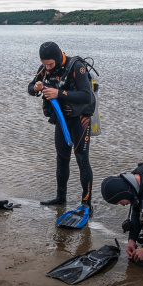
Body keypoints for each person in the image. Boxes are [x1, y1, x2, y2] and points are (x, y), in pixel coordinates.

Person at [28, 42, 96, 209]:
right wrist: (36, 87)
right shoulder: (44, 68)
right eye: (44, 64)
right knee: (62, 158)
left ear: (58, 58)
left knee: (81, 158)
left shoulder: (77, 66)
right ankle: (61, 198)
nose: (48, 67)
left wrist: (59, 93)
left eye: (50, 64)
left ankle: (86, 203)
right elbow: (30, 88)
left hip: (80, 118)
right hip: (61, 119)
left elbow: (87, 96)